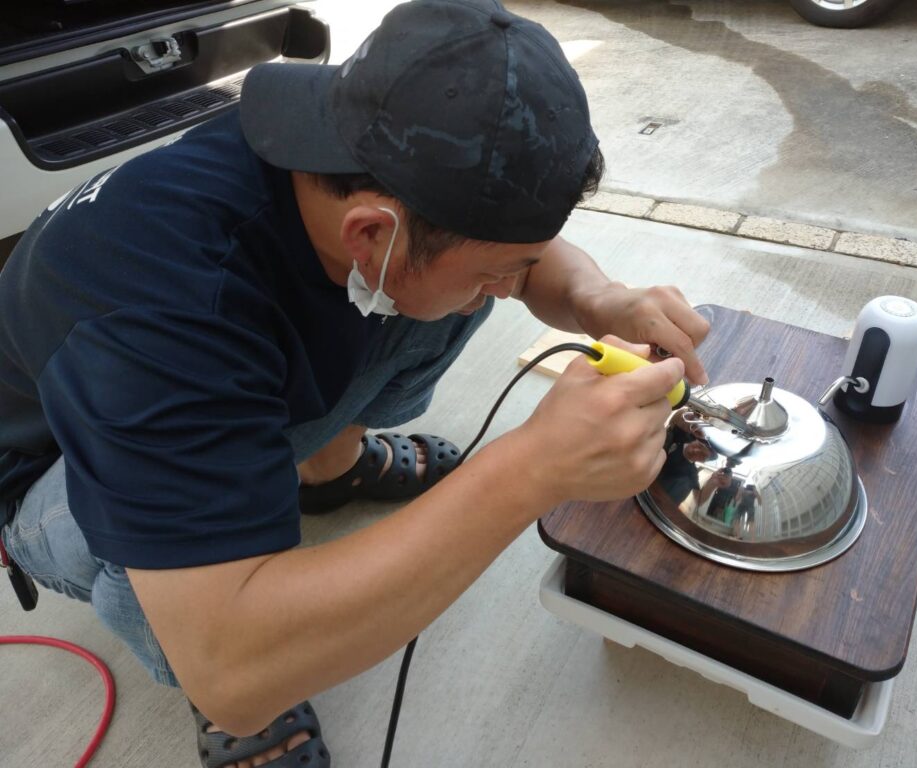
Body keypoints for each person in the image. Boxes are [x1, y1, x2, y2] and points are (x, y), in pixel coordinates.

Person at [0, 1, 710, 766]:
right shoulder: (166, 316)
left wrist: (599, 298)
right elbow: (230, 665)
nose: (513, 288)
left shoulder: (355, 146)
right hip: (46, 475)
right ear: (370, 233)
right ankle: (226, 641)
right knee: (211, 624)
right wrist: (532, 468)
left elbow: (503, 249)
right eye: (504, 272)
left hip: (213, 381)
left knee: (447, 294)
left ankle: (326, 470)